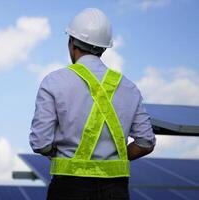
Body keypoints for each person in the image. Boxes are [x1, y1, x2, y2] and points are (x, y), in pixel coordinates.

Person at [29, 8, 156, 200]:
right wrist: (111, 158)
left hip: (69, 188)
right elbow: (145, 143)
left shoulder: (54, 81)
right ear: (104, 48)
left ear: (71, 43)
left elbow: (40, 143)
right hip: (116, 190)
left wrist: (66, 155)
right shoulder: (129, 88)